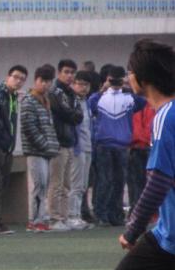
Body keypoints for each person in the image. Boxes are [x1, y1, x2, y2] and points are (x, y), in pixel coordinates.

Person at [104, 38, 175, 270]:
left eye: (130, 72)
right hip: (167, 235)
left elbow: (159, 180)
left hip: (169, 235)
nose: (128, 77)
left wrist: (131, 230)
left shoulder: (166, 116)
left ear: (142, 78)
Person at [89, 65, 144, 228]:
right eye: (113, 80)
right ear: (107, 79)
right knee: (105, 180)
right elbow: (90, 104)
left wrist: (129, 85)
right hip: (103, 145)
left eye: (118, 80)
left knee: (120, 181)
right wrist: (103, 89)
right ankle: (101, 214)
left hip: (122, 145)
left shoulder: (129, 98)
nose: (115, 83)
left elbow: (143, 101)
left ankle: (116, 215)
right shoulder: (99, 98)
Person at [21, 66, 61, 231]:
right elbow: (29, 127)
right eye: (42, 81)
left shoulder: (46, 100)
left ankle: (41, 218)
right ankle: (34, 220)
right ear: (35, 80)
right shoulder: (29, 100)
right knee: (39, 184)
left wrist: (51, 146)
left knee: (44, 185)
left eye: (48, 81)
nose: (45, 84)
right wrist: (45, 145)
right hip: (35, 150)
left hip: (46, 151)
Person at [0, 65, 27, 234]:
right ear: (7, 77)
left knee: (3, 184)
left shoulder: (13, 97)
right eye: (15, 77)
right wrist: (1, 141)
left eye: (22, 79)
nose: (18, 81)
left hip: (8, 148)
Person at [48, 59, 83, 231]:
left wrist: (72, 114)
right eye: (66, 72)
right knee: (57, 183)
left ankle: (64, 216)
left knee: (67, 184)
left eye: (72, 72)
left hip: (70, 141)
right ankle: (54, 218)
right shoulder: (54, 92)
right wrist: (72, 114)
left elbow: (79, 116)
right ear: (59, 72)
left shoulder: (72, 93)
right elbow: (62, 112)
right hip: (58, 142)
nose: (69, 76)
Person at [67, 71, 95, 231]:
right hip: (77, 148)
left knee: (83, 185)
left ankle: (77, 215)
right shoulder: (72, 101)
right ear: (73, 84)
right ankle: (72, 216)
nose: (83, 87)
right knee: (76, 184)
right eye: (80, 84)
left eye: (86, 85)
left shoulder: (87, 102)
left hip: (88, 147)